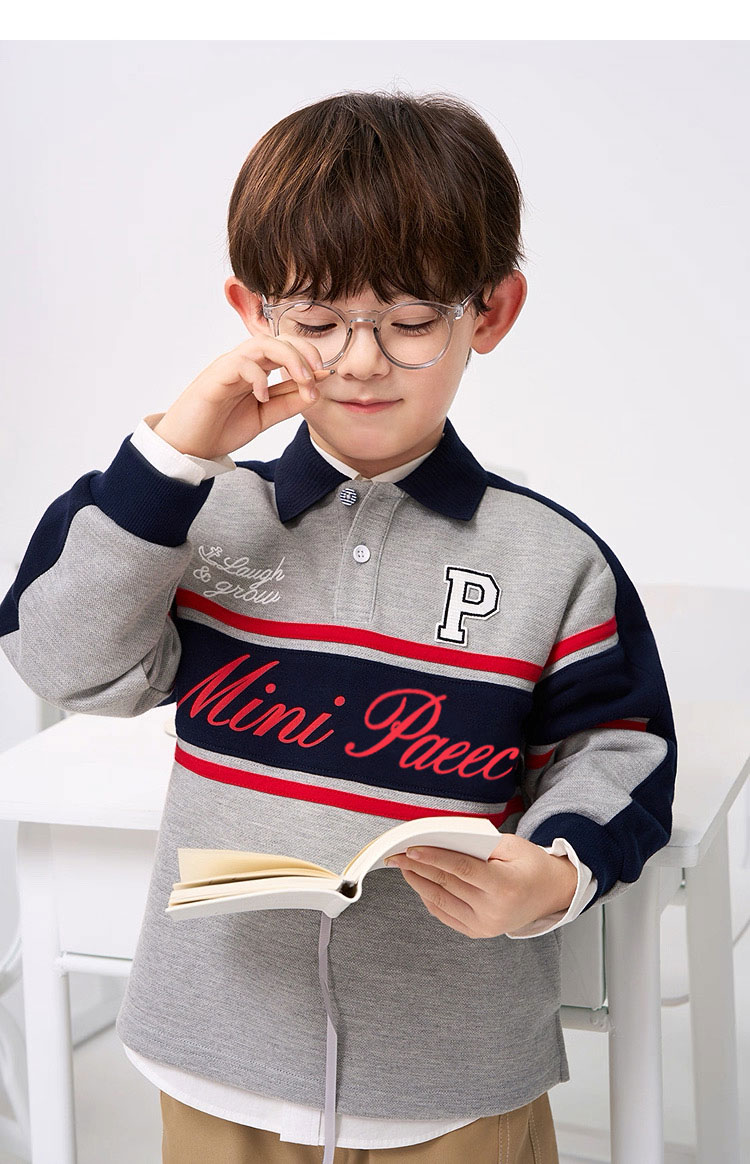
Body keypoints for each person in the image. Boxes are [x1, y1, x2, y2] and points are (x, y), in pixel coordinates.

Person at [0, 88, 677, 1164]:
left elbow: (620, 751)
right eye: (317, 323)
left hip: (453, 1078)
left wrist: (553, 873)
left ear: (490, 313)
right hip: (211, 1053)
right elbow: (60, 659)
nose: (360, 361)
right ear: (252, 312)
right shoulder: (197, 513)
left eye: (409, 324)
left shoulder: (554, 560)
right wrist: (175, 455)